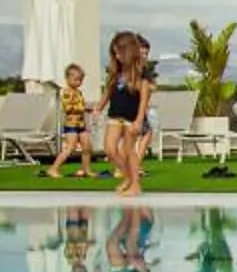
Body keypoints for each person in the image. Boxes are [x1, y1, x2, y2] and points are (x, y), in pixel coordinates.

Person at [102, 31, 155, 198]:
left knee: (128, 150)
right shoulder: (115, 73)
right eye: (114, 53)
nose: (116, 56)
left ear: (128, 52)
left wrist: (139, 120)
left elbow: (144, 100)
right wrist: (98, 107)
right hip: (115, 115)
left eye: (119, 52)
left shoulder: (141, 75)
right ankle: (128, 177)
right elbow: (108, 93)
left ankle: (135, 185)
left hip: (131, 118)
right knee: (110, 150)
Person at [44, 63, 97, 179]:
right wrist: (83, 108)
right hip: (71, 125)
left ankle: (86, 169)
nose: (79, 82)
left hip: (81, 124)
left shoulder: (78, 92)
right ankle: (53, 168)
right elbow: (68, 108)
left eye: (81, 80)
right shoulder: (67, 92)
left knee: (87, 147)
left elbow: (80, 105)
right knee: (70, 148)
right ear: (67, 79)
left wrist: (86, 108)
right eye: (76, 80)